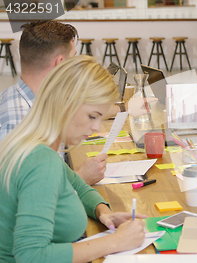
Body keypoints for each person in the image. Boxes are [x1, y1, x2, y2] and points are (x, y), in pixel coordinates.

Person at [0, 56, 147, 263]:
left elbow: (79, 186)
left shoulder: (35, 144)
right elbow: (31, 256)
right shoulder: (41, 161)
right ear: (65, 103)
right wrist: (115, 242)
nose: (97, 128)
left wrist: (104, 212)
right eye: (92, 116)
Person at [0, 20, 108, 185]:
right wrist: (81, 178)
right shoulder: (19, 119)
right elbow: (27, 198)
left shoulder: (37, 102)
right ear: (60, 63)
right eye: (73, 58)